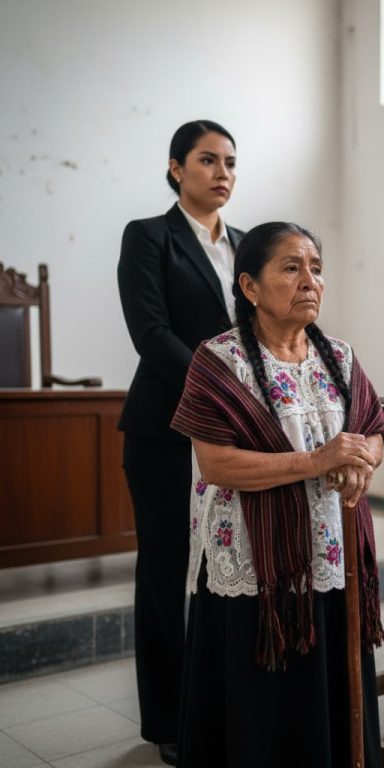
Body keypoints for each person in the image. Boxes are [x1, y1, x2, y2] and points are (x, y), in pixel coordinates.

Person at [170, 221, 384, 767]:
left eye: (316, 268)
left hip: (329, 552)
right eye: (291, 268)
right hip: (254, 564)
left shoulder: (339, 356)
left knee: (330, 692)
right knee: (263, 708)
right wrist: (321, 460)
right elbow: (216, 463)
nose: (310, 280)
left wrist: (362, 462)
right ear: (249, 287)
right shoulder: (219, 360)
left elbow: (371, 429)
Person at [117, 120, 242, 765]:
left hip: (239, 438)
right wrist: (220, 391)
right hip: (165, 431)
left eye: (229, 162)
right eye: (206, 160)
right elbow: (151, 332)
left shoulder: (249, 245)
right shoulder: (149, 237)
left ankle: (224, 702)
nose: (221, 173)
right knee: (167, 575)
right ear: (176, 169)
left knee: (230, 572)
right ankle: (169, 720)